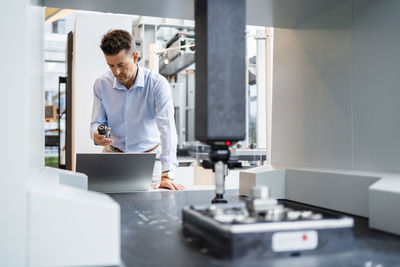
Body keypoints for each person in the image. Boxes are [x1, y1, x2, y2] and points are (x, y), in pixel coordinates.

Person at [90, 29, 185, 191]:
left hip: (148, 162)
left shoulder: (157, 84)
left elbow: (167, 131)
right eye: (111, 65)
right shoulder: (101, 83)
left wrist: (167, 173)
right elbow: (98, 122)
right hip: (113, 156)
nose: (116, 72)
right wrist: (96, 134)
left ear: (134, 57)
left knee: (152, 209)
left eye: (121, 65)